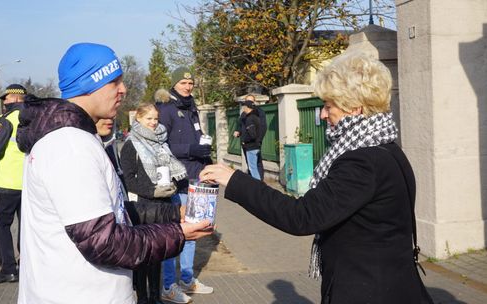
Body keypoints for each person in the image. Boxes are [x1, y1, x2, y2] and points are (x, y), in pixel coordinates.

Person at [200, 52, 434, 304]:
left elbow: (301, 216)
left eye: (329, 106)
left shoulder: (362, 162)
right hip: (391, 284)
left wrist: (235, 180)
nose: (322, 114)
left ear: (354, 108)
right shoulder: (387, 147)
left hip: (368, 290)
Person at [15, 42, 213, 304]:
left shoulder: (78, 139)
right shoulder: (71, 146)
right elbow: (104, 242)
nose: (123, 89)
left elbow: (112, 213)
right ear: (90, 84)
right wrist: (178, 235)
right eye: (114, 81)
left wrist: (174, 214)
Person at [120, 102, 188, 304]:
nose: (153, 123)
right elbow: (129, 179)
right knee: (143, 255)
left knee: (158, 253)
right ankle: (143, 298)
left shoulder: (161, 142)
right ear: (138, 118)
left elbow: (172, 168)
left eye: (155, 119)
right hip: (143, 206)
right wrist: (152, 190)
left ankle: (156, 297)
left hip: (164, 204)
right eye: (148, 118)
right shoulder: (131, 144)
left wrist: (173, 184)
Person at [158, 67, 214, 303]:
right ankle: (168, 286)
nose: (188, 87)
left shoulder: (192, 107)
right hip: (176, 179)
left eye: (190, 83)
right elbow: (161, 146)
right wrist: (190, 150)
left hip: (196, 178)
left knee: (192, 232)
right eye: (183, 83)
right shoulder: (166, 109)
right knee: (174, 234)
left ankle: (187, 280)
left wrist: (207, 164)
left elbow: (198, 136)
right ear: (174, 84)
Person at [0, 83, 27, 284]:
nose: (4, 102)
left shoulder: (8, 120)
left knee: (1, 225)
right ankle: (27, 264)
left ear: (17, 98)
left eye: (7, 98)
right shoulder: (33, 118)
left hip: (7, 181)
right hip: (28, 181)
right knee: (26, 225)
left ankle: (8, 269)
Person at [233, 94, 266, 180]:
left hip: (253, 142)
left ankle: (259, 183)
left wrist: (258, 140)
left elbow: (262, 127)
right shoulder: (244, 114)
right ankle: (253, 182)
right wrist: (238, 131)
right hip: (246, 143)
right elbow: (240, 124)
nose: (247, 104)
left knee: (256, 164)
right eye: (246, 101)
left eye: (250, 101)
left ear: (253, 102)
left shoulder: (259, 112)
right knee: (250, 164)